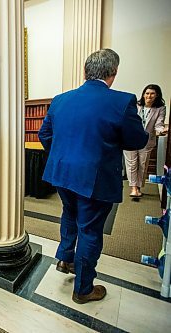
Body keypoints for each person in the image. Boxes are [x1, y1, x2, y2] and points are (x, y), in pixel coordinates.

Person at [38, 49, 148, 304]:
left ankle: (65, 258)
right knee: (89, 229)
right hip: (94, 178)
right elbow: (137, 140)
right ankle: (84, 289)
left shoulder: (60, 99)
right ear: (113, 73)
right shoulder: (122, 101)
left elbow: (45, 136)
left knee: (70, 213)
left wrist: (64, 155)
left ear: (85, 72)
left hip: (62, 173)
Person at [124, 84, 167, 197]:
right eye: (147, 93)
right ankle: (133, 188)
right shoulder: (135, 105)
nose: (149, 96)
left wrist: (162, 130)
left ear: (157, 95)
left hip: (147, 140)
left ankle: (138, 187)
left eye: (152, 93)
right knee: (132, 164)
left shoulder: (160, 108)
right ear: (143, 95)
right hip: (130, 138)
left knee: (142, 164)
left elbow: (158, 124)